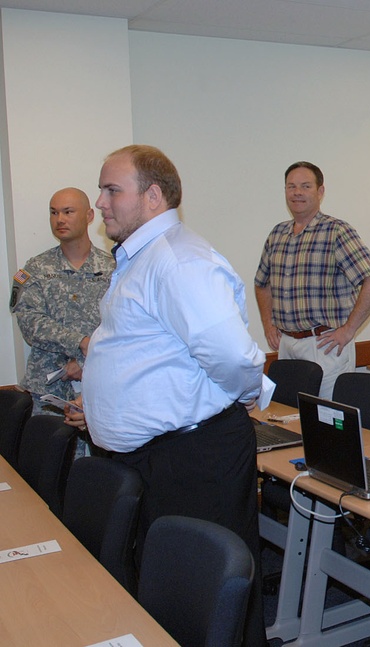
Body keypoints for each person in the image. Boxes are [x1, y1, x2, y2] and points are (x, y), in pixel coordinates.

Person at [74, 145, 267, 647]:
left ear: (153, 196)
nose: (99, 202)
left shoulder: (179, 261)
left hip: (194, 456)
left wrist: (245, 394)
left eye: (112, 190)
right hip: (159, 456)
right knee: (168, 592)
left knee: (210, 595)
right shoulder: (142, 258)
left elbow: (232, 356)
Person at [255, 161, 370, 398]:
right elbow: (262, 284)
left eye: (305, 186)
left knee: (325, 424)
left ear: (320, 191)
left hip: (325, 347)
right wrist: (268, 324)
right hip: (287, 344)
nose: (297, 192)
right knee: (287, 421)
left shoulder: (336, 231)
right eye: (291, 186)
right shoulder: (277, 234)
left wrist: (348, 330)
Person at [11, 188, 114, 423]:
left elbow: (123, 328)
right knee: (48, 457)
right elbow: (30, 323)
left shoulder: (113, 269)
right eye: (54, 212)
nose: (60, 220)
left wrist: (84, 362)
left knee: (99, 459)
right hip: (48, 395)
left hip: (101, 386)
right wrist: (80, 342)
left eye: (68, 212)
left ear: (89, 216)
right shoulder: (35, 268)